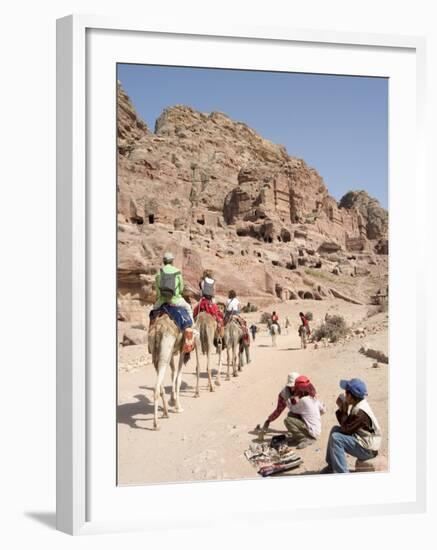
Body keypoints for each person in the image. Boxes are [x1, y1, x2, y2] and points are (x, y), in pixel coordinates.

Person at [322, 378, 382, 474]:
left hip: (368, 450)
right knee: (335, 430)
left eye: (346, 393)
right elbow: (346, 426)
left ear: (350, 396)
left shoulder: (360, 412)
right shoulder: (358, 404)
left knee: (337, 439)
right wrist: (343, 410)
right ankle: (331, 466)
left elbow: (346, 429)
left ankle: (342, 473)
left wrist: (344, 411)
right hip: (362, 440)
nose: (344, 396)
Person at [283, 375, 326, 449]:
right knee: (292, 415)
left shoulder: (304, 400)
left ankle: (304, 439)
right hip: (316, 430)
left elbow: (292, 409)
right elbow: (323, 410)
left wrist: (287, 399)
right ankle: (300, 436)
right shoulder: (312, 398)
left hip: (312, 432)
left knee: (288, 420)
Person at [153, 251, 194, 322]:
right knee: (188, 308)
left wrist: (159, 297)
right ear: (172, 261)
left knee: (153, 313)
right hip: (175, 300)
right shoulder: (177, 272)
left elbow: (157, 289)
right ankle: (192, 329)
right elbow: (181, 288)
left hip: (162, 300)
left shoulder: (159, 273)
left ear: (164, 261)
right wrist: (179, 294)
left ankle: (150, 330)